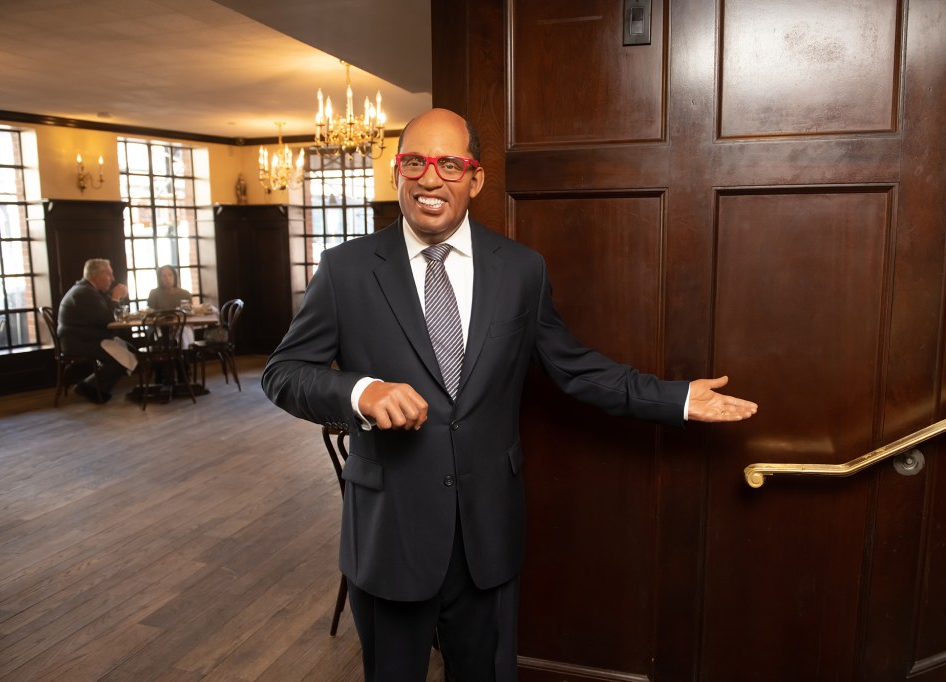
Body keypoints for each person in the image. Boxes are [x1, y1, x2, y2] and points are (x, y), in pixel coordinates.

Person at [262, 108, 758, 681]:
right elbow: (284, 373)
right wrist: (360, 390)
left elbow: (573, 368)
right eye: (415, 162)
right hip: (391, 533)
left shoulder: (521, 270)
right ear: (397, 172)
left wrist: (674, 398)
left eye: (449, 164)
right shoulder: (346, 269)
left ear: (474, 178)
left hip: (486, 534)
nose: (430, 178)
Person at [58, 258, 136, 404]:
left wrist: (114, 297)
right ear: (95, 275)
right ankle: (87, 386)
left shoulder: (90, 290)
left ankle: (97, 389)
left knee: (130, 350)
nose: (112, 279)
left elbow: (106, 310)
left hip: (87, 338)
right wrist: (115, 297)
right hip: (79, 342)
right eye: (109, 274)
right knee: (123, 357)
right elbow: (108, 319)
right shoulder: (83, 292)